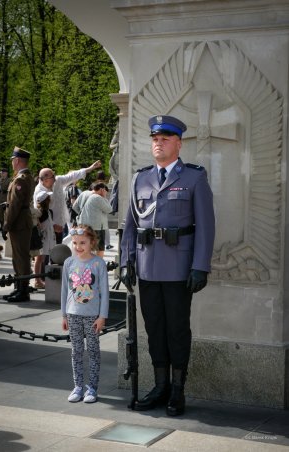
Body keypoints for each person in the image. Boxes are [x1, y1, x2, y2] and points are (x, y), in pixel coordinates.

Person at [120, 115, 215, 416]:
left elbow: (206, 226)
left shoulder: (193, 178)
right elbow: (130, 225)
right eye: (154, 138)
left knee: (176, 329)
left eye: (164, 138)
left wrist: (200, 265)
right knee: (154, 328)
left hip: (178, 269)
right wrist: (126, 261)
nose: (157, 143)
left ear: (178, 143)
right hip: (147, 268)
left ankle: (177, 390)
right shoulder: (140, 178)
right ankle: (159, 386)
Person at [61, 224, 109, 403]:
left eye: (82, 242)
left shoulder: (98, 263)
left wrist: (102, 316)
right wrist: (64, 315)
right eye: (75, 243)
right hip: (73, 314)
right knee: (76, 351)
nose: (78, 247)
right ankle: (78, 386)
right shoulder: (69, 263)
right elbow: (65, 292)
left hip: (92, 316)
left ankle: (92, 388)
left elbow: (104, 291)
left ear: (92, 243)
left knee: (94, 351)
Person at [33, 160, 101, 244]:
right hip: (47, 228)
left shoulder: (57, 180)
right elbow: (39, 213)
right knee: (47, 253)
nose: (55, 178)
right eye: (52, 176)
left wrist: (90, 168)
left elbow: (72, 176)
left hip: (60, 224)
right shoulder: (38, 192)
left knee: (58, 250)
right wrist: (53, 225)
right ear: (45, 180)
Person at [2, 147, 35, 302]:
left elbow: (15, 205)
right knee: (18, 256)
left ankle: (23, 290)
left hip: (19, 222)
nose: (12, 164)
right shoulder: (25, 176)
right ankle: (19, 287)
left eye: (13, 161)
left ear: (17, 161)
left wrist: (6, 224)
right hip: (22, 221)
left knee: (21, 257)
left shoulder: (21, 178)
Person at [73, 182, 112, 258]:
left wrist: (83, 214)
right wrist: (104, 197)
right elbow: (109, 209)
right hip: (97, 227)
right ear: (102, 190)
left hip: (83, 226)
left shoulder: (84, 193)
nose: (105, 194)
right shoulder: (98, 197)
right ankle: (97, 266)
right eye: (105, 192)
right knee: (99, 248)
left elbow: (74, 206)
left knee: (85, 246)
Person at [33, 191, 56, 289]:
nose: (51, 199)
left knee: (42, 260)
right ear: (46, 200)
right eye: (49, 198)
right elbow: (38, 226)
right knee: (38, 260)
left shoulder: (49, 212)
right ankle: (37, 281)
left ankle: (40, 279)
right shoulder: (40, 212)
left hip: (49, 238)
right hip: (42, 239)